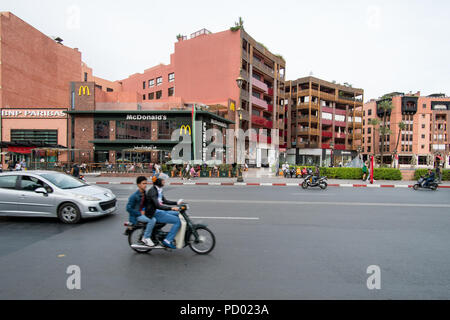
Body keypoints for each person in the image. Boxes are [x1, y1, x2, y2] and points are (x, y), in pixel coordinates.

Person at [146, 173, 183, 249]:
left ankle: (173, 236)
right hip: (155, 212)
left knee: (178, 214)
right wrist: (171, 208)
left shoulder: (158, 190)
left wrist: (176, 203)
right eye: (163, 180)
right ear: (158, 181)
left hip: (160, 211)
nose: (164, 181)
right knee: (177, 221)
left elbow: (164, 201)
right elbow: (157, 206)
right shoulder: (153, 191)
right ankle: (167, 240)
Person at [126, 176, 156, 247]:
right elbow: (128, 208)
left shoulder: (144, 193)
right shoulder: (134, 196)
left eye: (146, 183)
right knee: (152, 220)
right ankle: (146, 238)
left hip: (143, 213)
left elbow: (145, 204)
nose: (145, 185)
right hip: (136, 216)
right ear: (138, 184)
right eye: (143, 183)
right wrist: (139, 213)